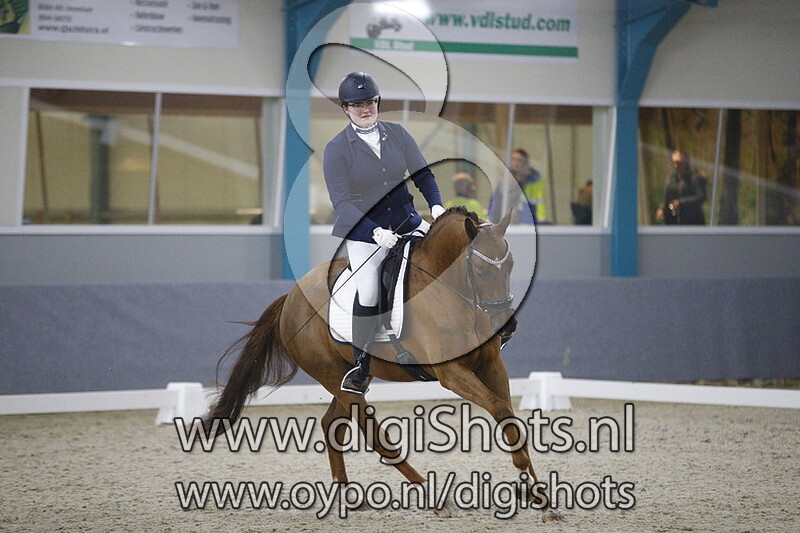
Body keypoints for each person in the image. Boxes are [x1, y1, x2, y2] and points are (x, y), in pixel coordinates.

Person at [323, 72, 445, 394]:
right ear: (346, 108)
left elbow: (423, 174)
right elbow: (342, 202)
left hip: (407, 222)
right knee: (369, 290)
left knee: (448, 261)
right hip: (365, 232)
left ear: (377, 102)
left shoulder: (398, 134)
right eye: (357, 105)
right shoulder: (337, 149)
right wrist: (374, 232)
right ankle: (361, 365)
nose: (365, 109)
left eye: (370, 102)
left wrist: (436, 206)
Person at [489, 148, 547, 224]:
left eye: (519, 160)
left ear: (526, 163)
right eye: (513, 159)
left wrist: (540, 224)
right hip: (508, 223)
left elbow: (540, 207)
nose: (516, 163)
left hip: (529, 224)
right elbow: (495, 204)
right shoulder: (503, 181)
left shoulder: (534, 181)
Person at [655, 150, 707, 225]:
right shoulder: (671, 178)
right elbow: (667, 197)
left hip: (692, 220)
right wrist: (662, 208)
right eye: (674, 163)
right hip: (675, 220)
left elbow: (701, 197)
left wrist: (681, 202)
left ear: (685, 163)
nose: (676, 166)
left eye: (678, 163)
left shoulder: (694, 177)